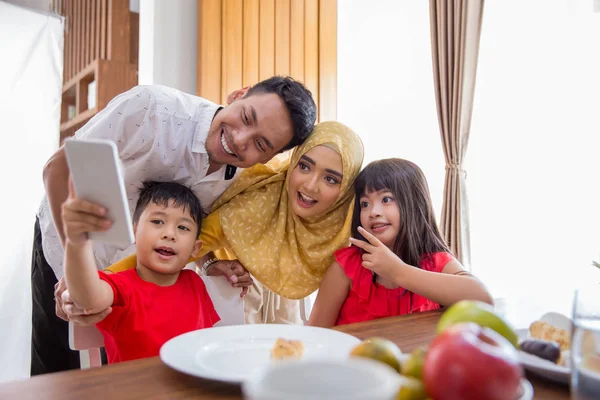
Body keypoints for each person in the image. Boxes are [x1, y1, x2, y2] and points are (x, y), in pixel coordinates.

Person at [33, 76, 316, 374]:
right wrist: (72, 268)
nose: (240, 139)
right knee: (54, 373)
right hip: (65, 246)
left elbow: (193, 218)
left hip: (131, 280)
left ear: (270, 156)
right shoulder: (152, 109)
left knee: (116, 376)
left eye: (260, 144)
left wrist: (208, 263)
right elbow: (58, 169)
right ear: (238, 94)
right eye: (246, 117)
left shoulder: (240, 177)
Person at [103, 121, 365, 324]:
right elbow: (181, 245)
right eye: (304, 166)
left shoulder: (349, 223)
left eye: (331, 179)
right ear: (293, 161)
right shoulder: (258, 203)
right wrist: (102, 280)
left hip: (289, 303)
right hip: (235, 290)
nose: (310, 185)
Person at [307, 158, 493, 328]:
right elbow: (315, 335)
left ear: (413, 203)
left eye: (386, 199)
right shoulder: (346, 267)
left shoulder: (435, 262)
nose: (373, 212)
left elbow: (483, 300)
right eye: (365, 204)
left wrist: (397, 271)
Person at [63, 180, 218, 363]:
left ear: (195, 248)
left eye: (183, 227)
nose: (169, 234)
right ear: (134, 231)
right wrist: (76, 243)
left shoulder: (194, 282)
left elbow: (207, 344)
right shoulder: (119, 287)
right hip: (135, 391)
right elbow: (87, 299)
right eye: (157, 221)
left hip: (190, 389)